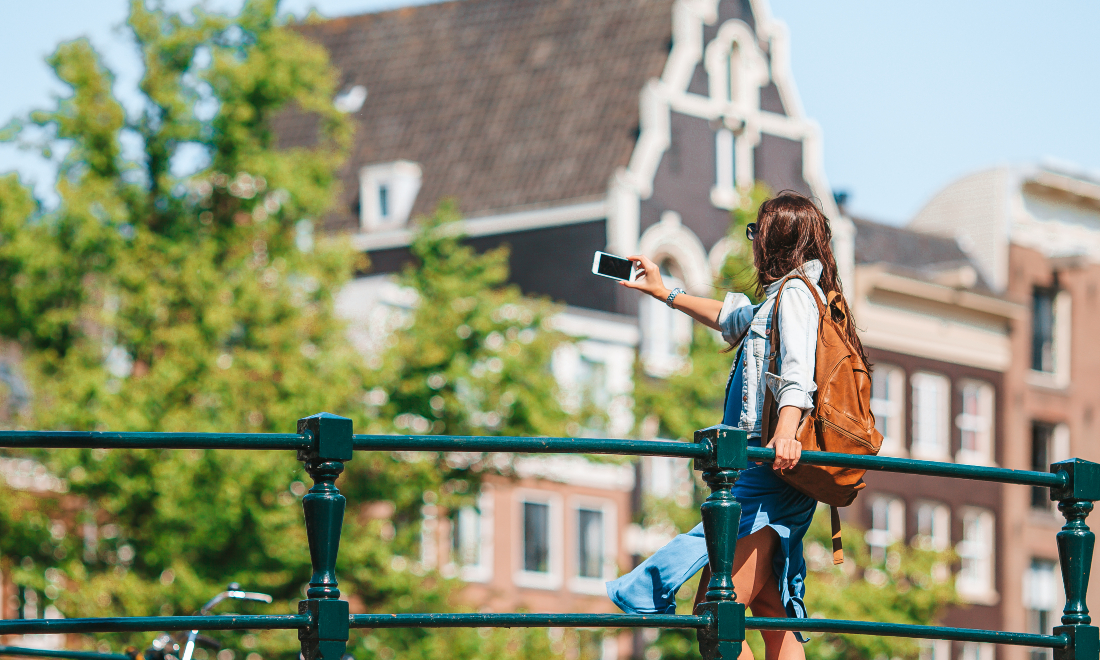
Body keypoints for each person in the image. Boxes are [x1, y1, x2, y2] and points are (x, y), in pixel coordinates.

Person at [605, 192, 868, 660]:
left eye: (755, 232)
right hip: (759, 468)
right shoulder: (782, 299)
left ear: (774, 241)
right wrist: (661, 290)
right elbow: (731, 318)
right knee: (768, 607)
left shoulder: (794, 297)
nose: (752, 243)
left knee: (716, 612)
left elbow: (796, 374)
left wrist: (786, 432)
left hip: (768, 468)